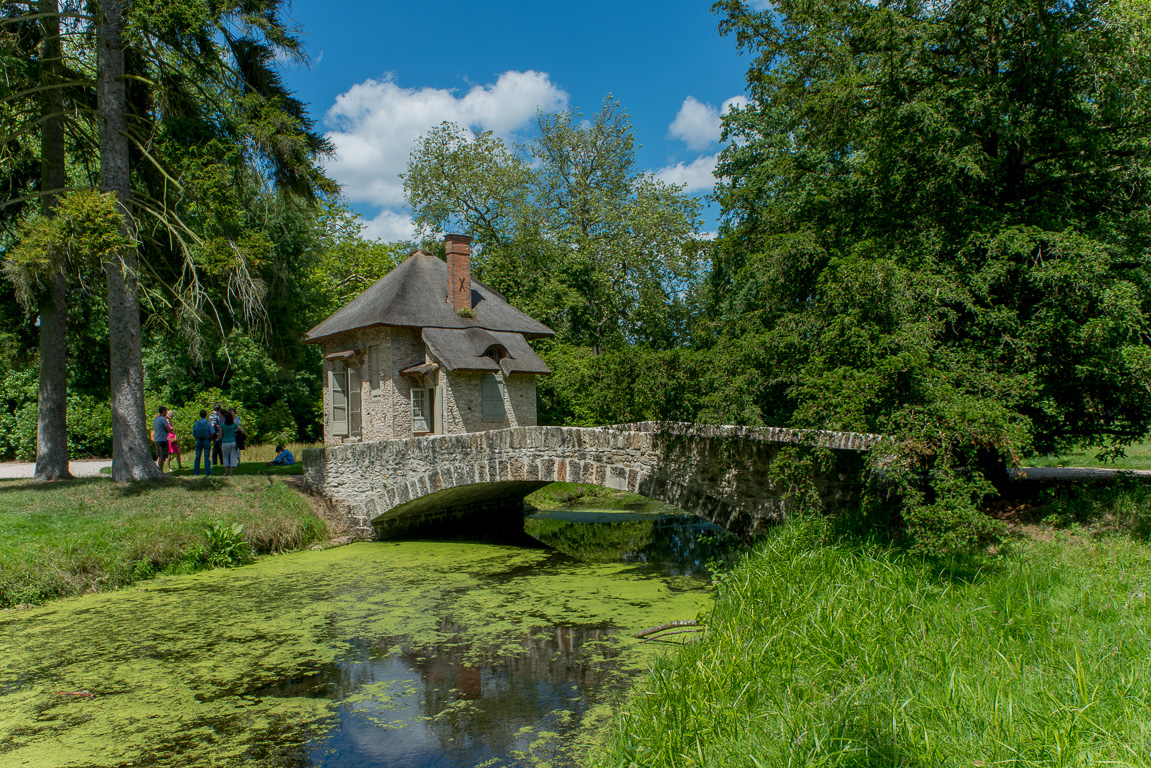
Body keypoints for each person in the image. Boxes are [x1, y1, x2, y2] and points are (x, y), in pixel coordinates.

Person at [192, 409, 215, 475]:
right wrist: (210, 438)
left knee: (197, 457)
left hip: (199, 440)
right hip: (206, 440)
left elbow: (194, 433)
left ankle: (196, 472)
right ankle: (207, 471)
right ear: (206, 415)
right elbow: (212, 432)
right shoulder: (208, 424)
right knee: (207, 457)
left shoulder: (196, 424)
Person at [219, 411, 239, 476]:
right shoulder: (234, 425)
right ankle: (231, 472)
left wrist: (222, 439)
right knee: (233, 457)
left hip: (225, 441)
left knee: (225, 457)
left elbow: (220, 434)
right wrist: (235, 433)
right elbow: (242, 430)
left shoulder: (222, 425)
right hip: (233, 441)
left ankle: (226, 472)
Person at [152, 406, 171, 471]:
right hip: (162, 439)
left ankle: (159, 469)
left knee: (159, 455)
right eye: (166, 411)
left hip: (157, 439)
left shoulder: (156, 419)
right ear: (163, 411)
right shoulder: (162, 419)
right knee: (162, 456)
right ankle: (161, 470)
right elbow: (168, 429)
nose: (166, 412)